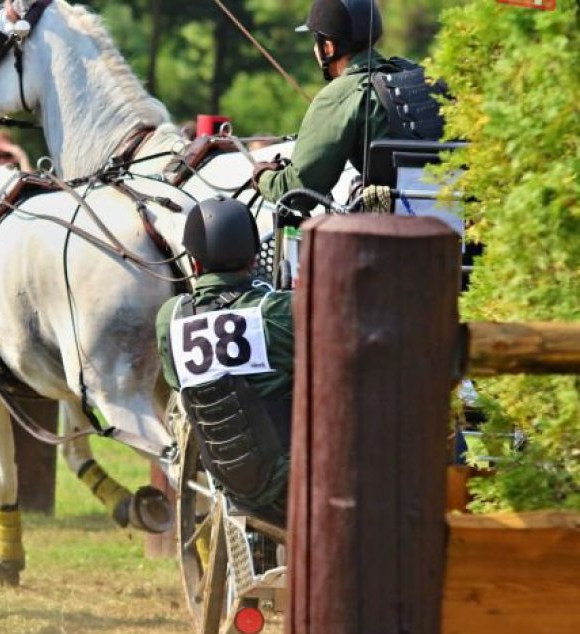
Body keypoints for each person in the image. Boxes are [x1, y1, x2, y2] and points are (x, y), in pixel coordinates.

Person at [155, 197, 294, 524]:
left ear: (195, 263)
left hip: (229, 481)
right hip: (294, 479)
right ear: (253, 258)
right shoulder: (277, 310)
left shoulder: (170, 318)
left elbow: (181, 384)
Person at [254, 0, 392, 210]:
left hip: (393, 232)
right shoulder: (414, 75)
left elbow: (299, 193)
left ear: (328, 47)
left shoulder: (340, 94)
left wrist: (262, 176)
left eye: (316, 41)